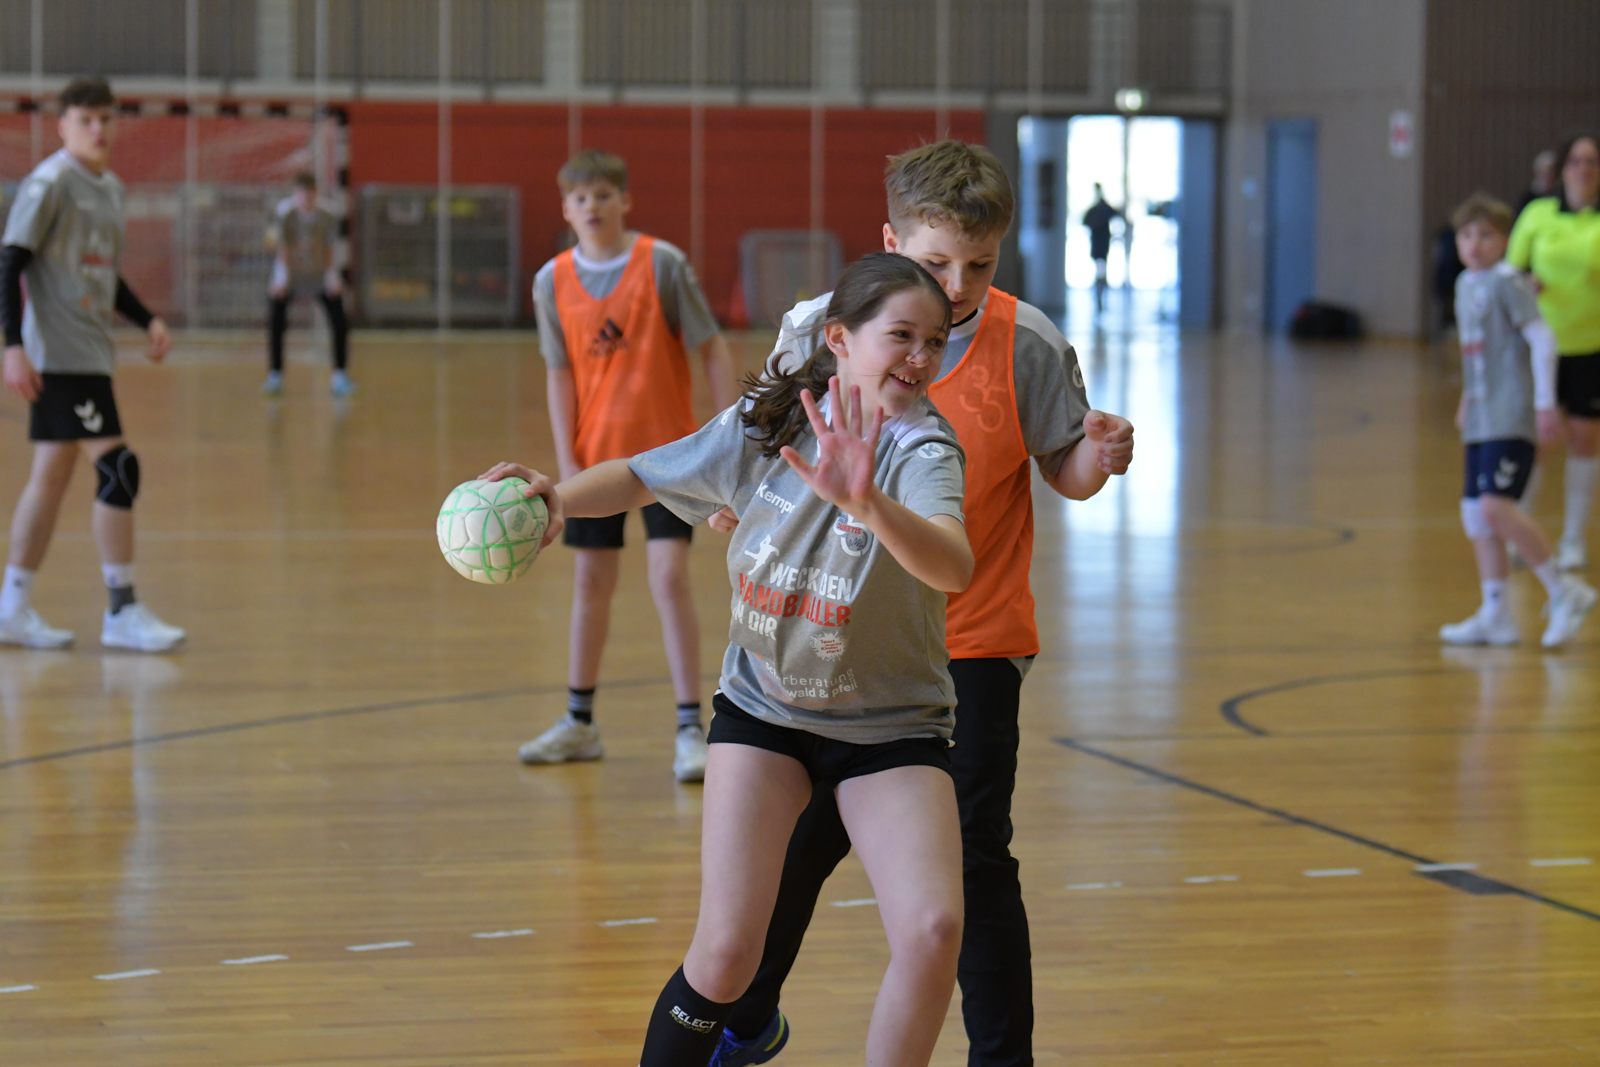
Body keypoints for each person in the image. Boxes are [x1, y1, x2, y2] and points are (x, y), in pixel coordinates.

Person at [485, 252, 974, 1067]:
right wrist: (557, 499)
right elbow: (643, 473)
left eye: (935, 340)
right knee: (725, 953)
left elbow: (953, 565)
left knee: (933, 931)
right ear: (840, 339)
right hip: (766, 712)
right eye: (902, 336)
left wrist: (867, 502)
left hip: (891, 727)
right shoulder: (770, 423)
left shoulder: (924, 448)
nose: (922, 357)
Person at [710, 140, 1135, 1067]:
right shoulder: (824, 325)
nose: (958, 286)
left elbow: (1063, 466)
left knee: (975, 858)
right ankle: (744, 1018)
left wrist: (1096, 458)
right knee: (798, 841)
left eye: (979, 265)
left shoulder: (1027, 341)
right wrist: (741, 504)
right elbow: (772, 444)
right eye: (938, 263)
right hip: (835, 635)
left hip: (971, 640)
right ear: (892, 239)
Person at [520, 148, 739, 783]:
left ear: (625, 201)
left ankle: (690, 729)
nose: (592, 206)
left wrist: (732, 436)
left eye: (602, 194)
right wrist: (566, 464)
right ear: (566, 210)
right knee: (591, 584)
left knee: (669, 580)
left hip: (670, 460)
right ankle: (579, 723)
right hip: (596, 461)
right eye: (579, 197)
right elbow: (559, 374)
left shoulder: (662, 264)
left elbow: (712, 347)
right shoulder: (551, 280)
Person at [0, 77, 185, 653]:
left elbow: (105, 273)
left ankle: (11, 607)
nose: (97, 129)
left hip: (91, 353)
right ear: (62, 126)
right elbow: (10, 262)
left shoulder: (111, 189)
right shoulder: (50, 183)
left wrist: (147, 318)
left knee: (51, 477)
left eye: (105, 119)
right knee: (118, 468)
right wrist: (12, 345)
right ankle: (121, 609)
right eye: (85, 119)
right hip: (59, 356)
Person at [1439, 194, 1596, 649]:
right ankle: (1497, 615)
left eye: (1486, 235)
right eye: (1466, 235)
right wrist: (1469, 396)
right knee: (1476, 516)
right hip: (1483, 413)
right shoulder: (1466, 284)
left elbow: (1542, 339)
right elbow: (1478, 351)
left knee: (1495, 506)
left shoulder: (1509, 282)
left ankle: (1565, 590)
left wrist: (1545, 404)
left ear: (1506, 241)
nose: (1475, 244)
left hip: (1511, 413)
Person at [1508, 132, 1600, 571]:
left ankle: (1573, 539)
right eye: (1576, 161)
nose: (1584, 169)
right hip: (1541, 347)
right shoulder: (1537, 214)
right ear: (1562, 170)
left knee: (1584, 439)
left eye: (1592, 161)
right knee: (1537, 441)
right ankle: (1521, 532)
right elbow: (1510, 272)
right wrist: (1527, 283)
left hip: (1591, 346)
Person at [262, 171, 351, 398]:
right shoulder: (286, 214)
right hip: (293, 274)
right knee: (276, 316)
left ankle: (340, 375)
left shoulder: (327, 215)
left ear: (315, 194)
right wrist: (281, 279)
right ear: (295, 194)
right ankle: (275, 375)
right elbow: (283, 248)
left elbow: (330, 248)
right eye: (301, 194)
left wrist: (332, 277)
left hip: (318, 273)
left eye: (309, 193)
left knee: (339, 319)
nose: (305, 198)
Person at [1082, 183, 1124, 312]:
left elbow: (1116, 214)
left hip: (1102, 243)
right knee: (1099, 269)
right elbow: (1086, 222)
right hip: (1097, 243)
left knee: (1101, 269)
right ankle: (1098, 295)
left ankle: (1100, 294)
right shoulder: (1094, 209)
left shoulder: (1102, 208)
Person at [1516, 149, 1559, 216]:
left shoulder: (1560, 196)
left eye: (1551, 173)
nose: (1548, 176)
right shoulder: (1527, 198)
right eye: (1545, 172)